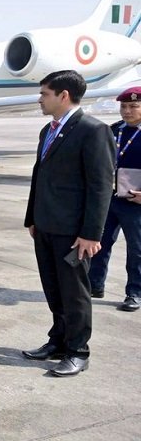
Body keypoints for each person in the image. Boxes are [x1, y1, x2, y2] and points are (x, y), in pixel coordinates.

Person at [23, 70, 115, 377]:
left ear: (64, 96)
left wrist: (91, 234)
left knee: (74, 293)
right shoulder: (47, 130)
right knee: (53, 289)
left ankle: (78, 351)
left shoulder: (93, 131)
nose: (40, 99)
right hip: (45, 226)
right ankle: (58, 341)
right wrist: (33, 218)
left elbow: (100, 187)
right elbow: (40, 176)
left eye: (44, 94)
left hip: (74, 232)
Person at [89, 86, 141, 312]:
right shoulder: (113, 130)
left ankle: (135, 292)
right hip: (109, 198)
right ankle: (94, 284)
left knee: (137, 249)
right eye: (124, 107)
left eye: (133, 106)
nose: (127, 111)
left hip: (135, 201)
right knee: (99, 242)